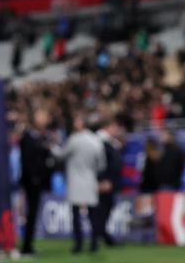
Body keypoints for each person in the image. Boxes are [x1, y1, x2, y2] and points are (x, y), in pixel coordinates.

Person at [56, 116, 106, 254]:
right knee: (92, 214)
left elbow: (61, 155)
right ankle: (95, 243)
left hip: (75, 181)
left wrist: (52, 147)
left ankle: (78, 244)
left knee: (76, 215)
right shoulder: (96, 141)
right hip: (91, 180)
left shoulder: (74, 139)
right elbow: (101, 164)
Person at [18, 109, 54, 256]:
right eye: (42, 116)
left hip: (38, 181)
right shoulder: (28, 137)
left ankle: (29, 245)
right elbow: (28, 161)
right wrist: (34, 178)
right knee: (31, 214)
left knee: (33, 214)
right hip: (32, 182)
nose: (45, 118)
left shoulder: (41, 137)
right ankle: (26, 247)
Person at [93, 116, 124, 248]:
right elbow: (100, 163)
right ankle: (101, 236)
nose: (116, 129)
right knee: (102, 209)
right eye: (114, 127)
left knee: (106, 208)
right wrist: (102, 180)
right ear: (107, 127)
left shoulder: (110, 142)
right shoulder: (100, 142)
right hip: (105, 182)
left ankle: (102, 235)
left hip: (111, 181)